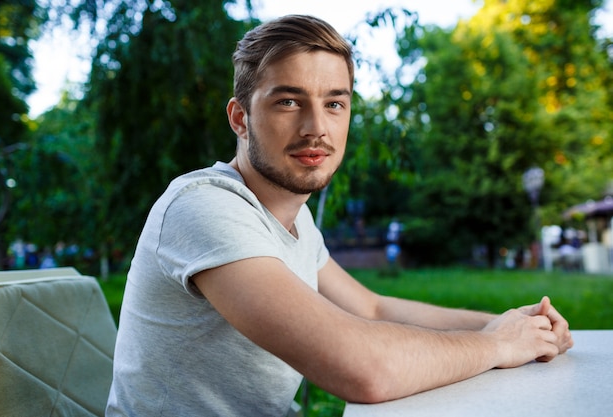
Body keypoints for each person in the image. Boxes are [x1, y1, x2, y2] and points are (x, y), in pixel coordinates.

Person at [106, 14, 573, 417]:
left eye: (334, 103)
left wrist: (513, 324)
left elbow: (372, 308)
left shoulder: (292, 219)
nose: (317, 128)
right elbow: (365, 369)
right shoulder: (204, 206)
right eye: (288, 102)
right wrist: (497, 346)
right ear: (239, 118)